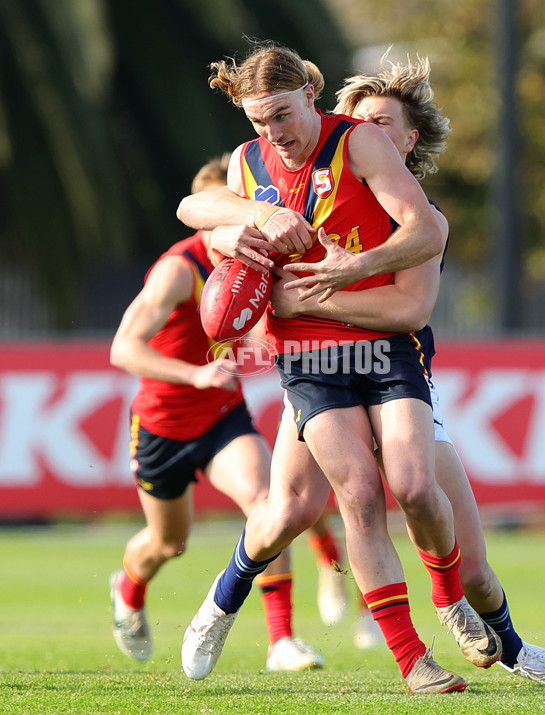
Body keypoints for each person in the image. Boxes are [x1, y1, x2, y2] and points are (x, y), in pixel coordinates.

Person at [179, 41, 505, 695]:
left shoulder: (357, 143)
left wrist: (349, 268)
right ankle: (412, 659)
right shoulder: (249, 164)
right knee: (350, 494)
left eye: (282, 114)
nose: (275, 132)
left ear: (309, 94)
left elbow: (428, 230)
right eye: (258, 121)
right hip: (307, 355)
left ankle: (450, 602)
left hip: (385, 347)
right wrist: (250, 218)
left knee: (412, 486)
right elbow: (192, 209)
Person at [270, 54, 545, 687]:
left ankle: (513, 647)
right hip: (317, 376)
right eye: (354, 122)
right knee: (293, 509)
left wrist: (315, 292)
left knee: (465, 557)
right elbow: (211, 215)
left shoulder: (422, 221)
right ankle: (241, 614)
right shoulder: (300, 199)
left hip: (396, 377)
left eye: (382, 124)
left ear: (409, 140)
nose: (363, 135)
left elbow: (409, 312)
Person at [108, 154, 324, 672]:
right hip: (162, 424)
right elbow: (123, 349)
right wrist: (194, 374)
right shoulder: (177, 272)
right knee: (168, 542)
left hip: (222, 417)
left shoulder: (254, 258)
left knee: (265, 502)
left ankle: (281, 641)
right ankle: (129, 591)